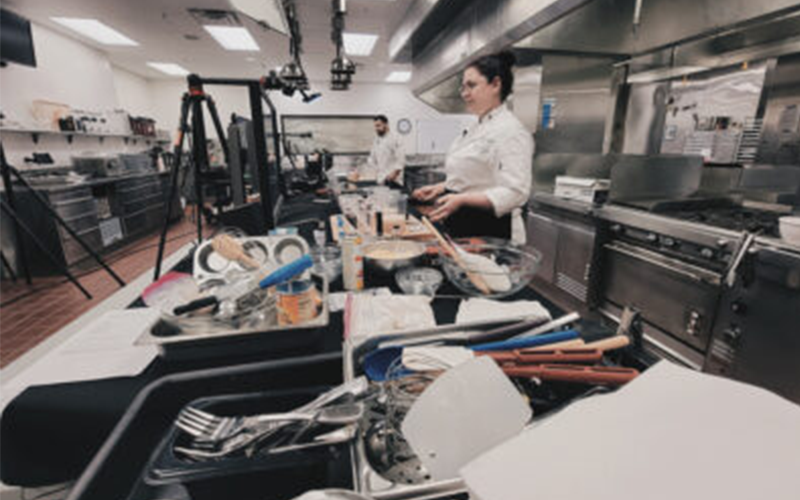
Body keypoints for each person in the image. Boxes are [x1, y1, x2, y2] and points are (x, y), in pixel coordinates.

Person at [411, 51, 534, 243]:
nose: (464, 93)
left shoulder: (511, 131)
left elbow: (516, 192)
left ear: (495, 84)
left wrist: (461, 199)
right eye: (463, 87)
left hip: (493, 230)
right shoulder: (477, 126)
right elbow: (477, 178)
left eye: (471, 85)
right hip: (466, 224)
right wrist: (442, 187)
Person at [366, 114, 405, 187]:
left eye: (378, 125)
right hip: (381, 179)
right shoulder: (376, 139)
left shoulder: (396, 138)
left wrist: (394, 174)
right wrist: (374, 169)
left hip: (393, 180)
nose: (376, 128)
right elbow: (372, 158)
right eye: (375, 126)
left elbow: (400, 159)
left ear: (386, 124)